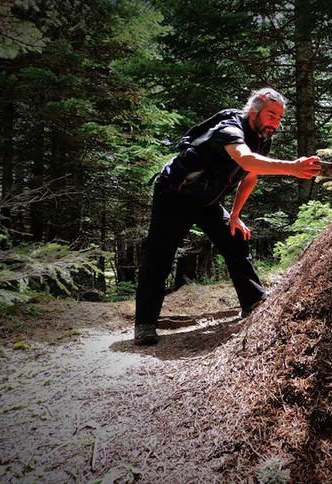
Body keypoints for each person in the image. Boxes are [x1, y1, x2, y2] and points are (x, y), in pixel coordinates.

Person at [134, 88, 321, 345]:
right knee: (160, 255)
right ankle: (145, 324)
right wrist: (292, 168)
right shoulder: (229, 127)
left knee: (235, 238)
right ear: (254, 110)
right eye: (271, 115)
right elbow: (246, 161)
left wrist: (234, 215)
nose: (275, 122)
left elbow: (250, 176)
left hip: (208, 200)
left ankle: (253, 303)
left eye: (279, 118)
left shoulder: (262, 138)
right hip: (175, 194)